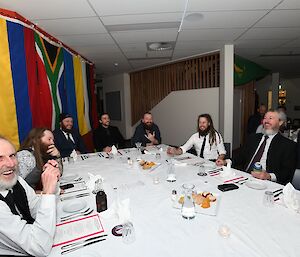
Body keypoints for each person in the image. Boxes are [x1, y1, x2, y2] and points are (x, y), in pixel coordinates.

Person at [0, 135, 60, 256]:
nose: (11, 164)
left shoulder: (18, 181)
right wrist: (47, 193)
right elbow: (39, 247)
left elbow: (36, 210)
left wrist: (52, 183)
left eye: (12, 156)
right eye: (0, 158)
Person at [217, 110, 297, 185]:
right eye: (265, 118)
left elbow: (287, 172)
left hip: (266, 183)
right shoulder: (253, 138)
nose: (266, 121)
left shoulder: (288, 145)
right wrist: (226, 162)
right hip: (245, 178)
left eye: (270, 118)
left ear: (280, 122)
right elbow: (241, 156)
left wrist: (268, 176)